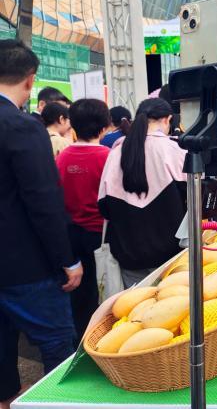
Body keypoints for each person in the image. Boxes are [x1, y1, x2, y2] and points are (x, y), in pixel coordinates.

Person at [0, 40, 82, 409]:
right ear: (30, 79)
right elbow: (43, 201)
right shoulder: (21, 127)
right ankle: (56, 403)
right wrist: (68, 260)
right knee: (56, 343)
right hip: (26, 265)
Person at [98, 98, 186, 288]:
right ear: (167, 119)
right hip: (171, 256)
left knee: (134, 304)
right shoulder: (173, 148)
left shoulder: (116, 152)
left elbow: (104, 206)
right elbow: (195, 197)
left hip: (128, 254)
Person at [56, 99, 111, 337]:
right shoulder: (108, 157)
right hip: (101, 236)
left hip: (70, 234)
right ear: (104, 127)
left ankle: (80, 339)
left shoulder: (62, 157)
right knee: (103, 291)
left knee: (79, 294)